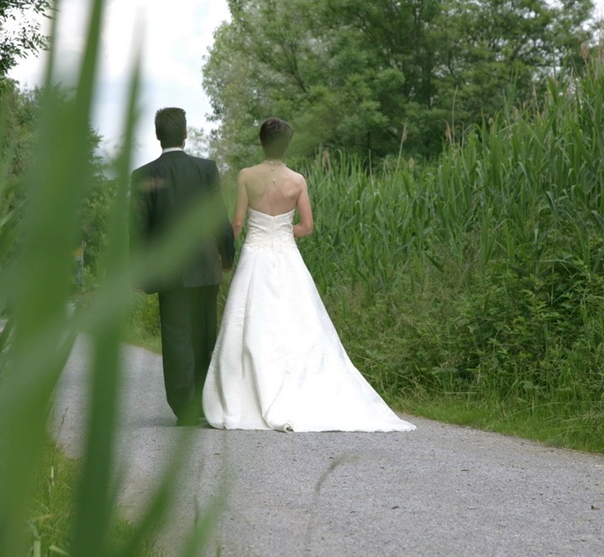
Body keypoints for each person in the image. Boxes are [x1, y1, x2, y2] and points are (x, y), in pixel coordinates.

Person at [202, 118, 415, 432]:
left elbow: (236, 223)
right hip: (285, 253)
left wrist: (228, 249)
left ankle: (247, 392)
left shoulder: (247, 176)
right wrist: (284, 233)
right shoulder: (297, 180)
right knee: (296, 320)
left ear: (261, 142)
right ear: (287, 145)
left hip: (255, 254)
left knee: (250, 319)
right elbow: (307, 226)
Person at [132, 107, 235, 426]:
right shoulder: (205, 169)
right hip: (204, 266)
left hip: (169, 271)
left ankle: (184, 409)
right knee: (204, 335)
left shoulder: (143, 176)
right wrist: (227, 256)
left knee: (176, 337)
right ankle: (206, 404)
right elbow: (218, 216)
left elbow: (138, 228)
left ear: (157, 135)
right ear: (186, 134)